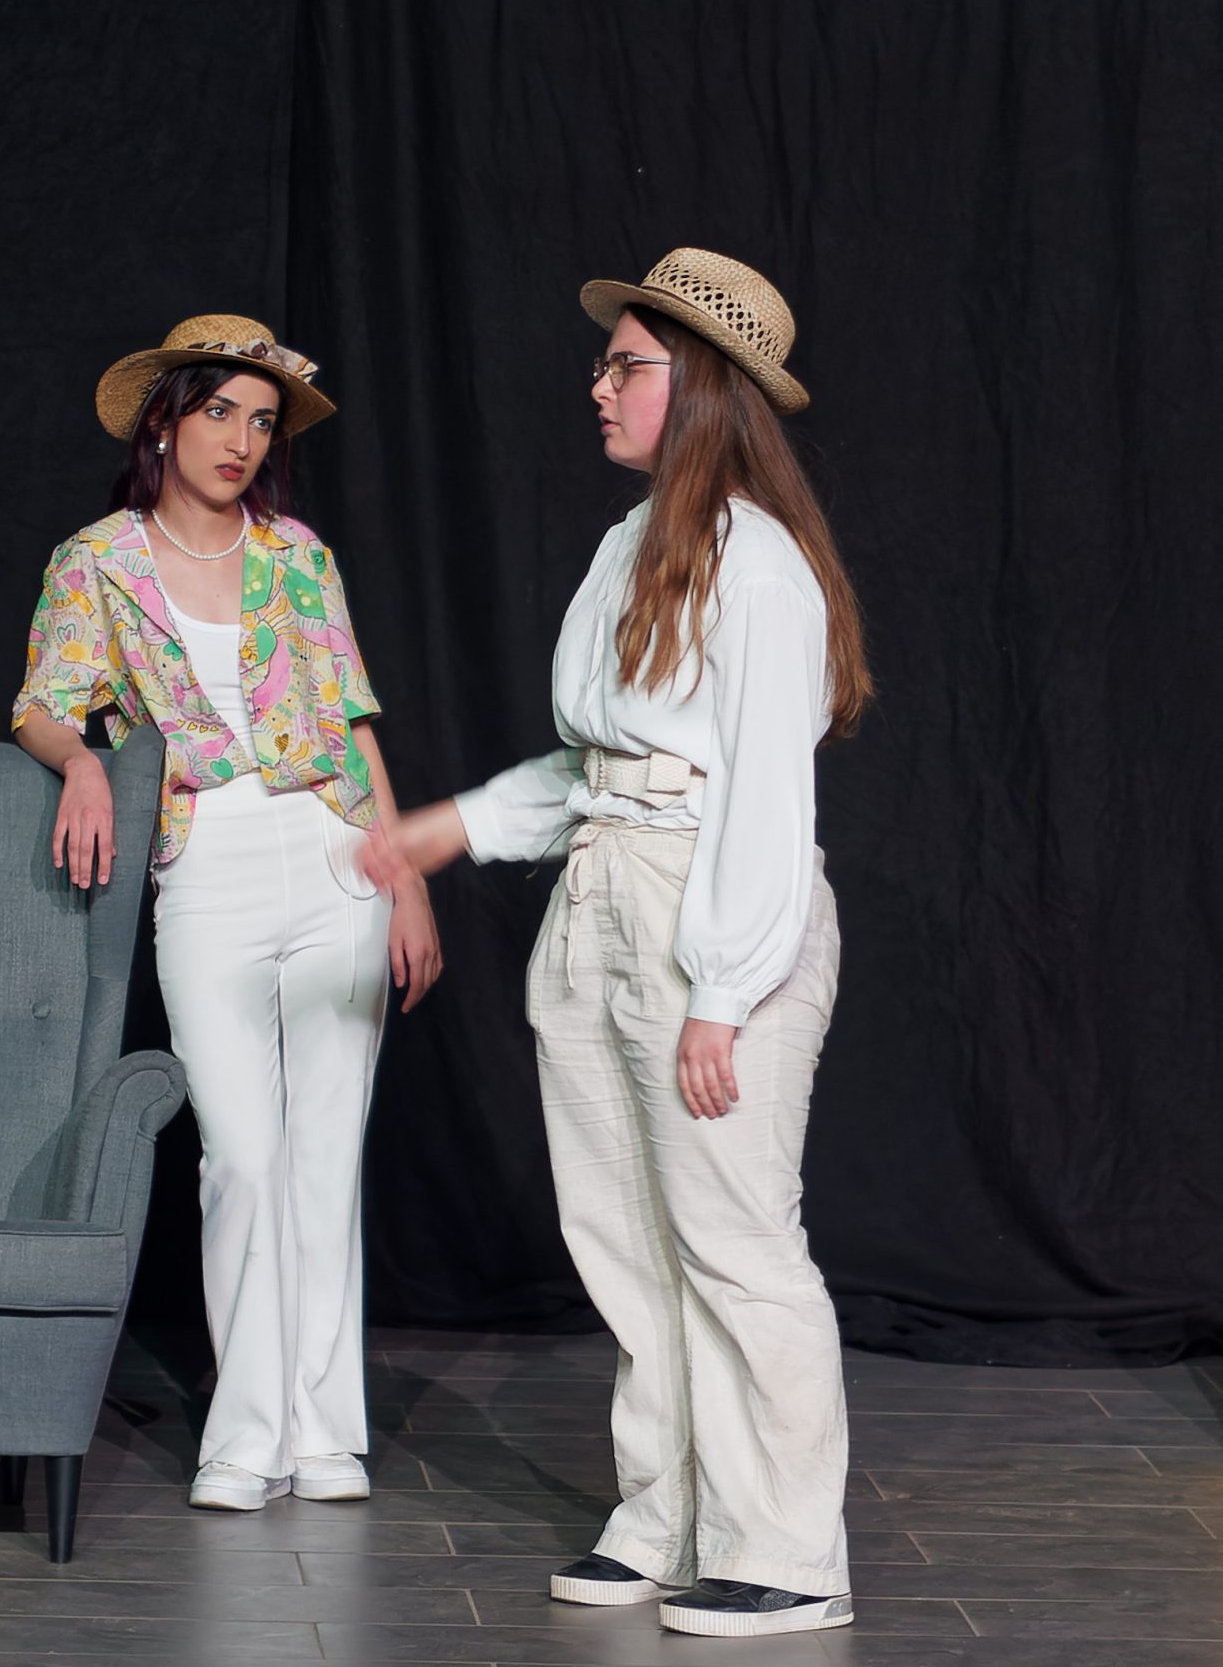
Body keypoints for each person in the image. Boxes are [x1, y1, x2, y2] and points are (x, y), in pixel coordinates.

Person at [362, 250, 871, 1638]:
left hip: (711, 909)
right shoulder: (625, 545)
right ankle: (668, 1513)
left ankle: (789, 1551)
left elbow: (760, 796)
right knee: (625, 1239)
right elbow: (604, 765)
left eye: (624, 366)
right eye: (605, 365)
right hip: (601, 900)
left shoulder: (758, 566)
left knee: (734, 1238)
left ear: (697, 387)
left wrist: (725, 989)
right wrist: (452, 827)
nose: (597, 386)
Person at [13, 314, 441, 1513]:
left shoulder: (298, 555)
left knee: (325, 1155)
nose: (240, 441)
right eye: (218, 413)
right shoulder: (96, 561)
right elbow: (43, 703)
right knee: (242, 1158)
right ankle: (246, 1433)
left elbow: (351, 722)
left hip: (336, 852)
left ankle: (323, 1433)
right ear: (164, 419)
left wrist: (406, 878)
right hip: (205, 860)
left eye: (260, 422)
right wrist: (82, 762)